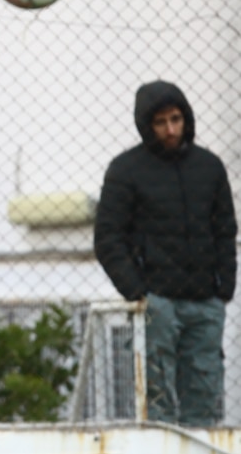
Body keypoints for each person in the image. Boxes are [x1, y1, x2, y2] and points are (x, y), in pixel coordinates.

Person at [94, 80, 236, 426]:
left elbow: (225, 231)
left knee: (204, 395)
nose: (171, 130)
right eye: (161, 122)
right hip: (157, 303)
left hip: (205, 302)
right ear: (147, 125)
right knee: (156, 404)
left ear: (186, 118)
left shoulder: (209, 167)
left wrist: (224, 289)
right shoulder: (125, 171)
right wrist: (138, 291)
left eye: (176, 119)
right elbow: (108, 238)